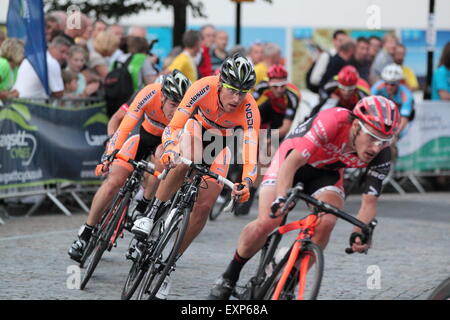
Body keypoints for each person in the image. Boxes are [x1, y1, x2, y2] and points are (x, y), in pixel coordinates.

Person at [208, 95, 400, 300]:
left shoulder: (381, 154)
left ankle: (288, 282)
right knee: (269, 220)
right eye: (372, 137)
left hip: (326, 174)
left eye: (384, 141)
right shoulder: (332, 121)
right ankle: (229, 276)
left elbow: (369, 202)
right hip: (292, 160)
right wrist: (280, 199)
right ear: (355, 126)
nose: (376, 147)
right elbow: (291, 164)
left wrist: (358, 232)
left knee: (326, 221)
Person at [131, 54, 260, 299]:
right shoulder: (203, 86)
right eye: (232, 90)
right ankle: (151, 212)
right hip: (195, 130)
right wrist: (170, 148)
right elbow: (176, 125)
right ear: (221, 83)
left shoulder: (249, 108)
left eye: (243, 92)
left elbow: (251, 153)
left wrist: (247, 182)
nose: (237, 98)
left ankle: (167, 265)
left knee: (204, 205)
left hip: (221, 144)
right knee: (183, 161)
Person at [68, 70, 191, 263]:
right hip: (140, 135)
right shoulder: (149, 93)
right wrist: (110, 151)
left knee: (160, 165)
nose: (176, 111)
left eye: (180, 106)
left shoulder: (187, 111)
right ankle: (85, 233)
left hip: (164, 144)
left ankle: (142, 207)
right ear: (163, 97)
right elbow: (124, 124)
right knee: (114, 181)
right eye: (173, 104)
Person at [235, 64, 301, 216]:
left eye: (282, 86)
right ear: (269, 83)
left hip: (280, 120)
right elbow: (247, 106)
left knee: (265, 157)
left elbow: (285, 127)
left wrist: (268, 140)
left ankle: (250, 194)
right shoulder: (262, 87)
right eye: (275, 86)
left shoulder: (292, 96)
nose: (279, 90)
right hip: (267, 109)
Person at [371, 63, 414, 136]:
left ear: (399, 83)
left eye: (392, 84)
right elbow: (369, 108)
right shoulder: (377, 87)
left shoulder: (406, 95)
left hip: (399, 118)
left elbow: (404, 118)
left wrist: (394, 135)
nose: (389, 87)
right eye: (386, 83)